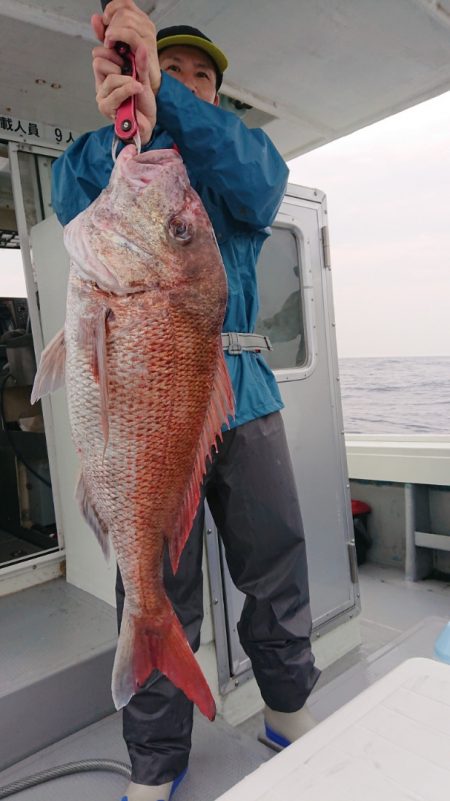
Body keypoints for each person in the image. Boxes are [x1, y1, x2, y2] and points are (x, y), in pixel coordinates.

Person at [51, 2, 320, 799]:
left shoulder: (231, 161)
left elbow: (264, 182)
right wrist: (124, 117)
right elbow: (71, 195)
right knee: (155, 581)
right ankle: (157, 760)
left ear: (214, 95)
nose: (189, 86)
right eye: (173, 70)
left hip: (247, 394)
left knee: (276, 567)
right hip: (158, 393)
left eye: (203, 78)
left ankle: (287, 706)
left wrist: (173, 101)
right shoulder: (126, 164)